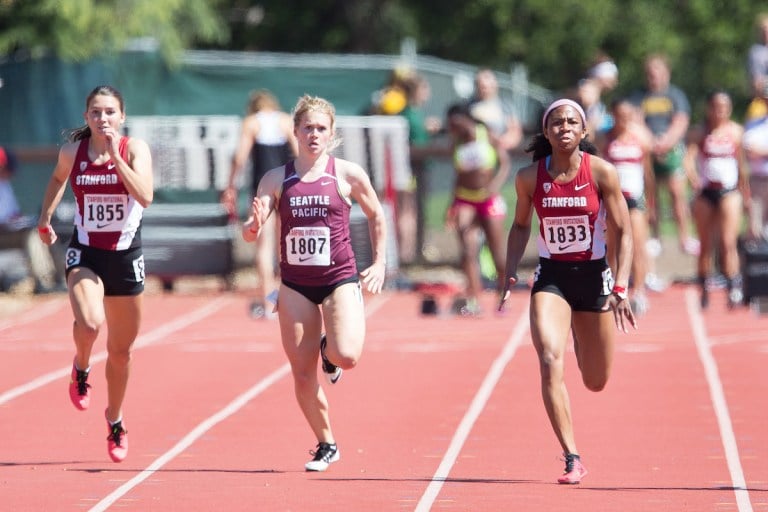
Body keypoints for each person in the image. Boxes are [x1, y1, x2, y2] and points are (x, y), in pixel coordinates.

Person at [242, 94, 387, 472]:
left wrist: (380, 262)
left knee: (348, 356)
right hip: (295, 285)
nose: (314, 134)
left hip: (338, 278)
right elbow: (251, 231)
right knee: (302, 371)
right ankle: (326, 443)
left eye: (321, 128)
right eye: (308, 128)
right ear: (296, 132)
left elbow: (376, 214)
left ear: (332, 133)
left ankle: (329, 351)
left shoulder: (347, 174)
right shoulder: (276, 178)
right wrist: (254, 225)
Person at [499, 98, 636, 484]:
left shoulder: (603, 173)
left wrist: (621, 286)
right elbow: (521, 226)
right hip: (552, 279)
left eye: (571, 122)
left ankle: (579, 329)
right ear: (546, 132)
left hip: (594, 279)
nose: (564, 128)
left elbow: (624, 233)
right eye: (556, 123)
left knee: (595, 381)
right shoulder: (529, 178)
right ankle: (572, 455)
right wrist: (509, 270)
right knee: (547, 357)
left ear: (584, 131)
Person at [37, 85, 154, 463]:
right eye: (95, 113)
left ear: (122, 116)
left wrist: (116, 160)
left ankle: (115, 419)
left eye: (109, 112)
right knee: (89, 324)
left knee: (121, 353)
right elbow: (57, 178)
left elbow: (146, 196)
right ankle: (81, 366)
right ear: (86, 117)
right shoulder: (73, 152)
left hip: (125, 257)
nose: (102, 119)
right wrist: (45, 218)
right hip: (86, 252)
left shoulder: (134, 150)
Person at [222, 89, 297, 318]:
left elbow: (240, 157)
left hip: (263, 187)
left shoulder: (252, 123)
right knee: (286, 245)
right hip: (287, 184)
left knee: (264, 247)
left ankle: (268, 304)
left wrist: (230, 185)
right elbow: (297, 151)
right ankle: (291, 302)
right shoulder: (285, 121)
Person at [685, 90, 749, 309]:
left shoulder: (736, 132)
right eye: (715, 107)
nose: (719, 111)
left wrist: (745, 193)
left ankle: (733, 287)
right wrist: (693, 179)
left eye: (724, 107)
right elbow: (689, 159)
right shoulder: (700, 132)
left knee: (727, 241)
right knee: (705, 244)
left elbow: (741, 165)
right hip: (706, 192)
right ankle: (703, 286)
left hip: (729, 191)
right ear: (709, 108)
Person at [630, 54, 699, 256]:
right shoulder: (638, 97)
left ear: (666, 73)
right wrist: (651, 143)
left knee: (677, 193)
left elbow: (681, 121)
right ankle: (655, 237)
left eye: (657, 72)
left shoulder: (675, 95)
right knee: (651, 196)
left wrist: (666, 142)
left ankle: (685, 237)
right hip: (647, 149)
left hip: (672, 149)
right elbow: (635, 121)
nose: (654, 77)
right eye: (650, 73)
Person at [445, 102, 510, 315]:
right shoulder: (457, 142)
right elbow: (458, 175)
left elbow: (505, 163)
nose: (453, 128)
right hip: (465, 199)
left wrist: (495, 185)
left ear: (466, 120)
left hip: (488, 199)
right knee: (467, 249)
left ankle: (503, 295)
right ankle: (474, 299)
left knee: (497, 253)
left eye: (455, 123)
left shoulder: (486, 135)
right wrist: (452, 205)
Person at [597, 98, 655, 315]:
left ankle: (638, 291)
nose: (623, 120)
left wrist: (651, 202)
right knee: (612, 247)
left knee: (637, 245)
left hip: (634, 199)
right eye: (619, 115)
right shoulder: (605, 138)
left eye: (627, 115)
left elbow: (648, 172)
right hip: (612, 200)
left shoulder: (640, 138)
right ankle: (611, 288)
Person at [0, 146, 64, 293]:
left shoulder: (4, 184)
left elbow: (13, 214)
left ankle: (61, 278)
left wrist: (20, 221)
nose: (6, 170)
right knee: (32, 235)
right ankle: (43, 282)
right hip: (3, 233)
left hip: (9, 231)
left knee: (46, 229)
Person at [467, 68, 523, 155]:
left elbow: (515, 132)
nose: (484, 88)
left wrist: (500, 144)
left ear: (495, 84)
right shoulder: (468, 107)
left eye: (487, 85)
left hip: (500, 154)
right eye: (481, 86)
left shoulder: (506, 106)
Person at [745, 12, 768, 122]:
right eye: (763, 30)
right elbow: (757, 83)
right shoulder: (756, 53)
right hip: (761, 102)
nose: (766, 33)